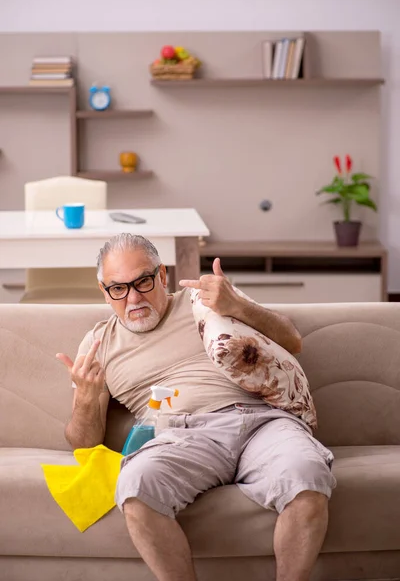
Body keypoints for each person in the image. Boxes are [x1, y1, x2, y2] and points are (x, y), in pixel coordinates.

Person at [57, 233, 336, 581]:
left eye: (143, 281)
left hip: (264, 422)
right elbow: (84, 444)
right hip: (182, 436)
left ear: (161, 276)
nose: (133, 297)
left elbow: (292, 340)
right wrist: (85, 397)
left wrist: (239, 306)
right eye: (119, 288)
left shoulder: (206, 300)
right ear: (104, 290)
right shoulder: (98, 343)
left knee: (307, 476)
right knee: (136, 486)